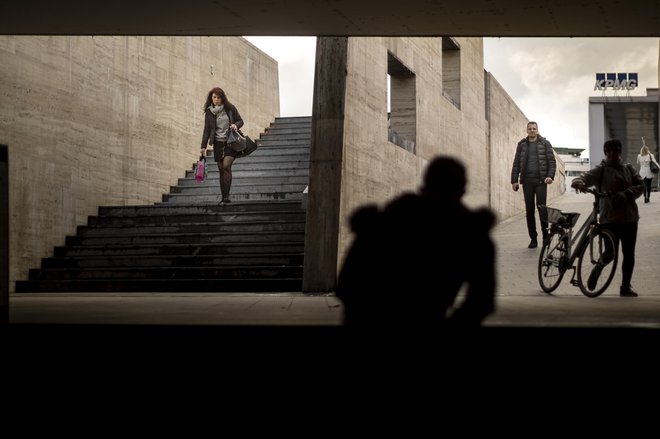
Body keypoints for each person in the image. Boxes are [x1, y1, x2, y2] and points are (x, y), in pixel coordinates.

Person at [335, 156, 496, 332]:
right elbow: (481, 301)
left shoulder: (391, 217)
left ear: (425, 183)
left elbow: (347, 284)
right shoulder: (471, 232)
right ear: (463, 189)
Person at [572, 139, 644, 297]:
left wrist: (626, 194)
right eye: (610, 150)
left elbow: (641, 186)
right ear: (606, 152)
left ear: (620, 152)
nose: (613, 153)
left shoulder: (629, 169)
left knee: (629, 255)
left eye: (616, 150)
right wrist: (578, 182)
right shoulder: (601, 170)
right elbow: (585, 177)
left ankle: (625, 287)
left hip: (630, 219)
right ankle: (597, 270)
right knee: (610, 253)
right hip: (609, 218)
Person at [510, 121, 557, 248]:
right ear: (527, 130)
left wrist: (550, 176)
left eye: (534, 128)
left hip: (541, 181)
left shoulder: (545, 144)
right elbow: (516, 164)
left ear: (537, 130)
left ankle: (545, 237)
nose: (532, 130)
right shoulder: (522, 145)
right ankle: (533, 239)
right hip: (527, 182)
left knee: (542, 209)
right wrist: (514, 180)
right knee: (529, 211)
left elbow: (552, 162)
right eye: (529, 129)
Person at [200, 87, 244, 204]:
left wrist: (235, 125)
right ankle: (224, 196)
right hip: (217, 144)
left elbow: (240, 121)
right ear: (211, 98)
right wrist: (203, 146)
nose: (216, 100)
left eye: (218, 97)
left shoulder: (230, 108)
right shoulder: (209, 112)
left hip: (230, 142)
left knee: (226, 166)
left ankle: (227, 196)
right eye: (214, 97)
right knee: (221, 170)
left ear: (222, 98)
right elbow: (206, 130)